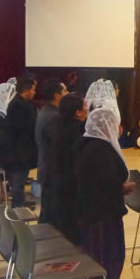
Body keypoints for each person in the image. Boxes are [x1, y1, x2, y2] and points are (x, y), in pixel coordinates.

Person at [75, 108, 133, 279]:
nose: (120, 128)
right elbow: (105, 182)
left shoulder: (87, 143)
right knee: (99, 253)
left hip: (93, 209)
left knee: (96, 251)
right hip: (100, 213)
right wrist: (122, 188)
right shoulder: (99, 149)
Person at [42, 93, 88, 245]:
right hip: (70, 184)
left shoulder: (53, 124)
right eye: (85, 107)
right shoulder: (78, 132)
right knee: (70, 225)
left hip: (53, 177)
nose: (87, 109)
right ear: (78, 113)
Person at [3, 76, 38, 208]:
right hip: (19, 148)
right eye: (33, 89)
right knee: (19, 176)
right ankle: (17, 204)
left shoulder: (23, 103)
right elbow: (20, 127)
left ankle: (21, 200)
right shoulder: (17, 105)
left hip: (24, 147)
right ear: (26, 90)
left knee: (23, 176)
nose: (34, 92)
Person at [36, 79, 67, 216]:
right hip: (52, 170)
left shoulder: (47, 111)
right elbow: (58, 146)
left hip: (47, 167)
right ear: (57, 96)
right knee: (51, 212)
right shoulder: (54, 116)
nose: (68, 93)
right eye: (65, 91)